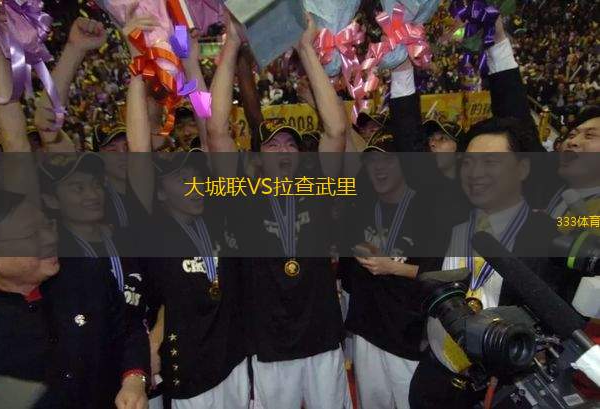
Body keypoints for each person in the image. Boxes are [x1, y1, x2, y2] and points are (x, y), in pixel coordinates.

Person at [206, 12, 352, 409]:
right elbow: (216, 131)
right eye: (272, 145)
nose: (284, 150)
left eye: (291, 145)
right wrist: (232, 44)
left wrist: (306, 48)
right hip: (268, 342)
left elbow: (337, 130)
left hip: (322, 336)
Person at [124, 14, 247, 409]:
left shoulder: (219, 209)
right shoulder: (155, 224)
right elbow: (139, 152)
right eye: (181, 180)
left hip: (235, 360)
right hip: (189, 372)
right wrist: (137, 70)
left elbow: (211, 131)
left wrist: (192, 61)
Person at [0, 184, 149, 409]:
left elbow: (128, 330)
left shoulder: (87, 276)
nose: (50, 239)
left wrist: (134, 380)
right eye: (32, 236)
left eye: (48, 225)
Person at [409, 117, 568, 409]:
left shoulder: (550, 239)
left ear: (522, 168)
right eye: (468, 163)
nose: (475, 173)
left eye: (490, 162)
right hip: (435, 381)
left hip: (503, 393)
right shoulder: (449, 225)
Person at [339, 132, 445, 409]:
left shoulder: (427, 209)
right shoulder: (363, 203)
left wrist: (392, 267)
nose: (379, 168)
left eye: (388, 161)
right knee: (371, 402)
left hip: (406, 335)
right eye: (372, 162)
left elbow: (438, 272)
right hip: (367, 328)